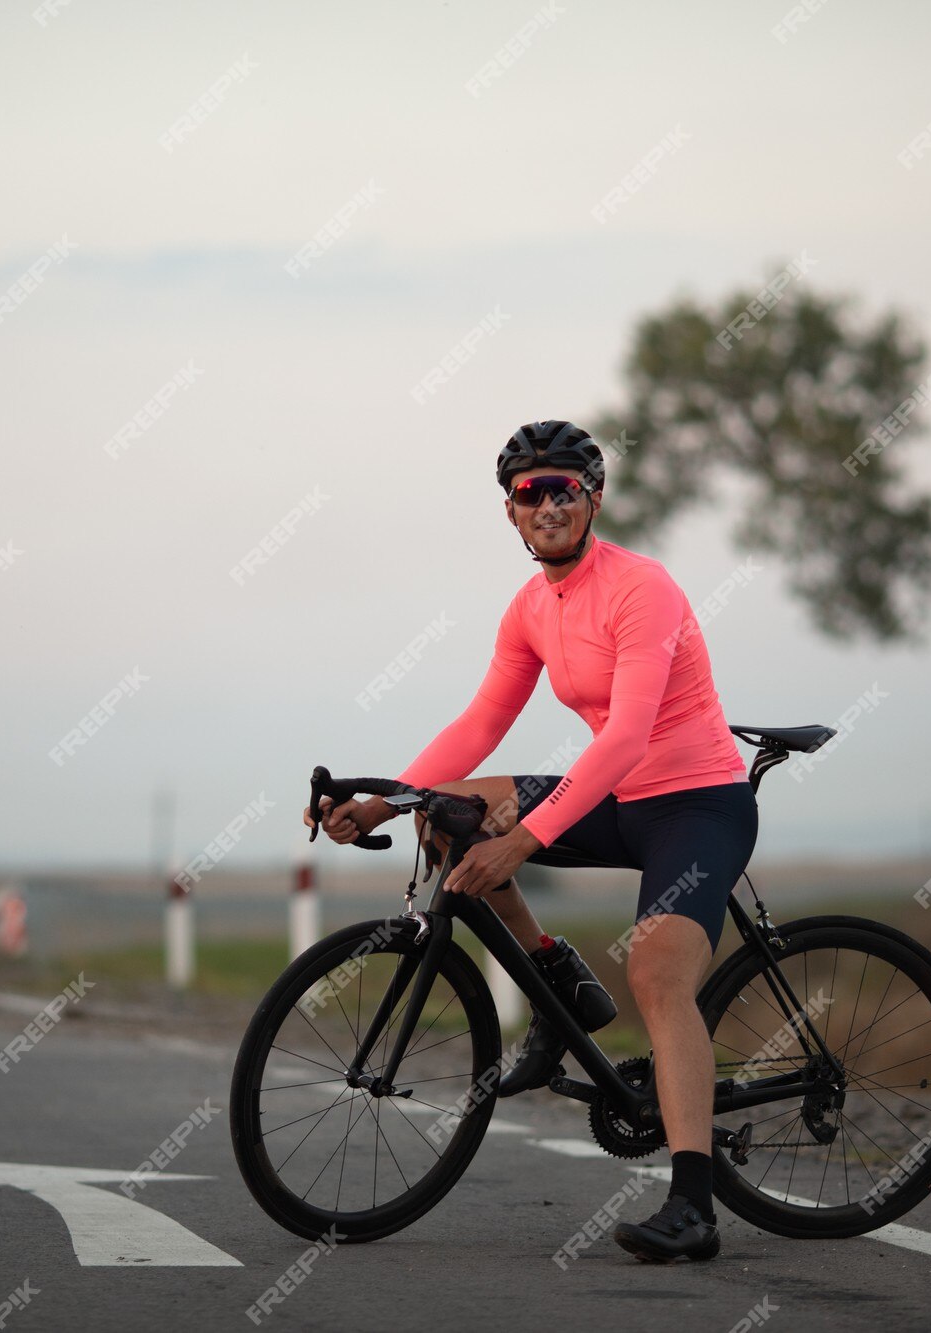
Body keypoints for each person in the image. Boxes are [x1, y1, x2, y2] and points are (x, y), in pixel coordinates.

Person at [306, 420, 760, 1263]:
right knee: (445, 811)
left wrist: (528, 839)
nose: (547, 504)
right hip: (617, 798)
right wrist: (378, 801)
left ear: (594, 498)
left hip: (697, 802)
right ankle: (557, 980)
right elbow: (481, 721)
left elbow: (625, 736)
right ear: (511, 513)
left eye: (564, 488)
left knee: (658, 971)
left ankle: (694, 1206)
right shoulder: (531, 608)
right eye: (529, 492)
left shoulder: (641, 588)